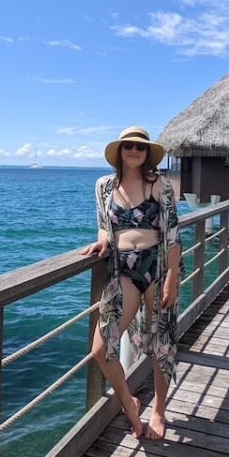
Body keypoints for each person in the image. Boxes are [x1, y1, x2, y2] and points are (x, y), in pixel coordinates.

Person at [80, 126, 181, 440]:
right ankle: (129, 402)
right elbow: (103, 226)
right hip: (121, 270)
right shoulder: (104, 186)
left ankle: (159, 411)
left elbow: (174, 236)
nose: (134, 151)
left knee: (161, 346)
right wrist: (101, 244)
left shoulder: (160, 185)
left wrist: (171, 281)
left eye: (140, 147)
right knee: (101, 348)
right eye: (129, 147)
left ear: (147, 153)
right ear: (120, 151)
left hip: (156, 266)